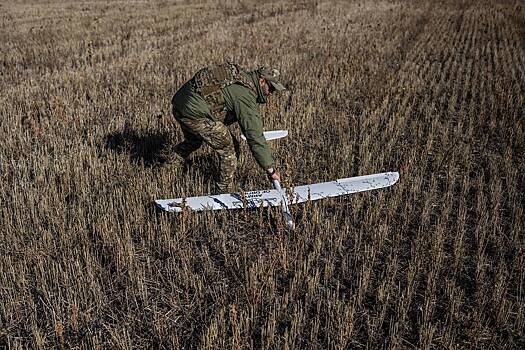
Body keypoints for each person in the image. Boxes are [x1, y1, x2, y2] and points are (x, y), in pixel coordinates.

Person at [170, 62, 286, 193]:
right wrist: (271, 170)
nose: (271, 93)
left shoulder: (240, 77)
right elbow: (255, 136)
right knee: (230, 149)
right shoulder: (245, 95)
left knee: (193, 141)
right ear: (261, 81)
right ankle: (221, 192)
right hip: (194, 113)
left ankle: (167, 166)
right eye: (271, 88)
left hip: (180, 105)